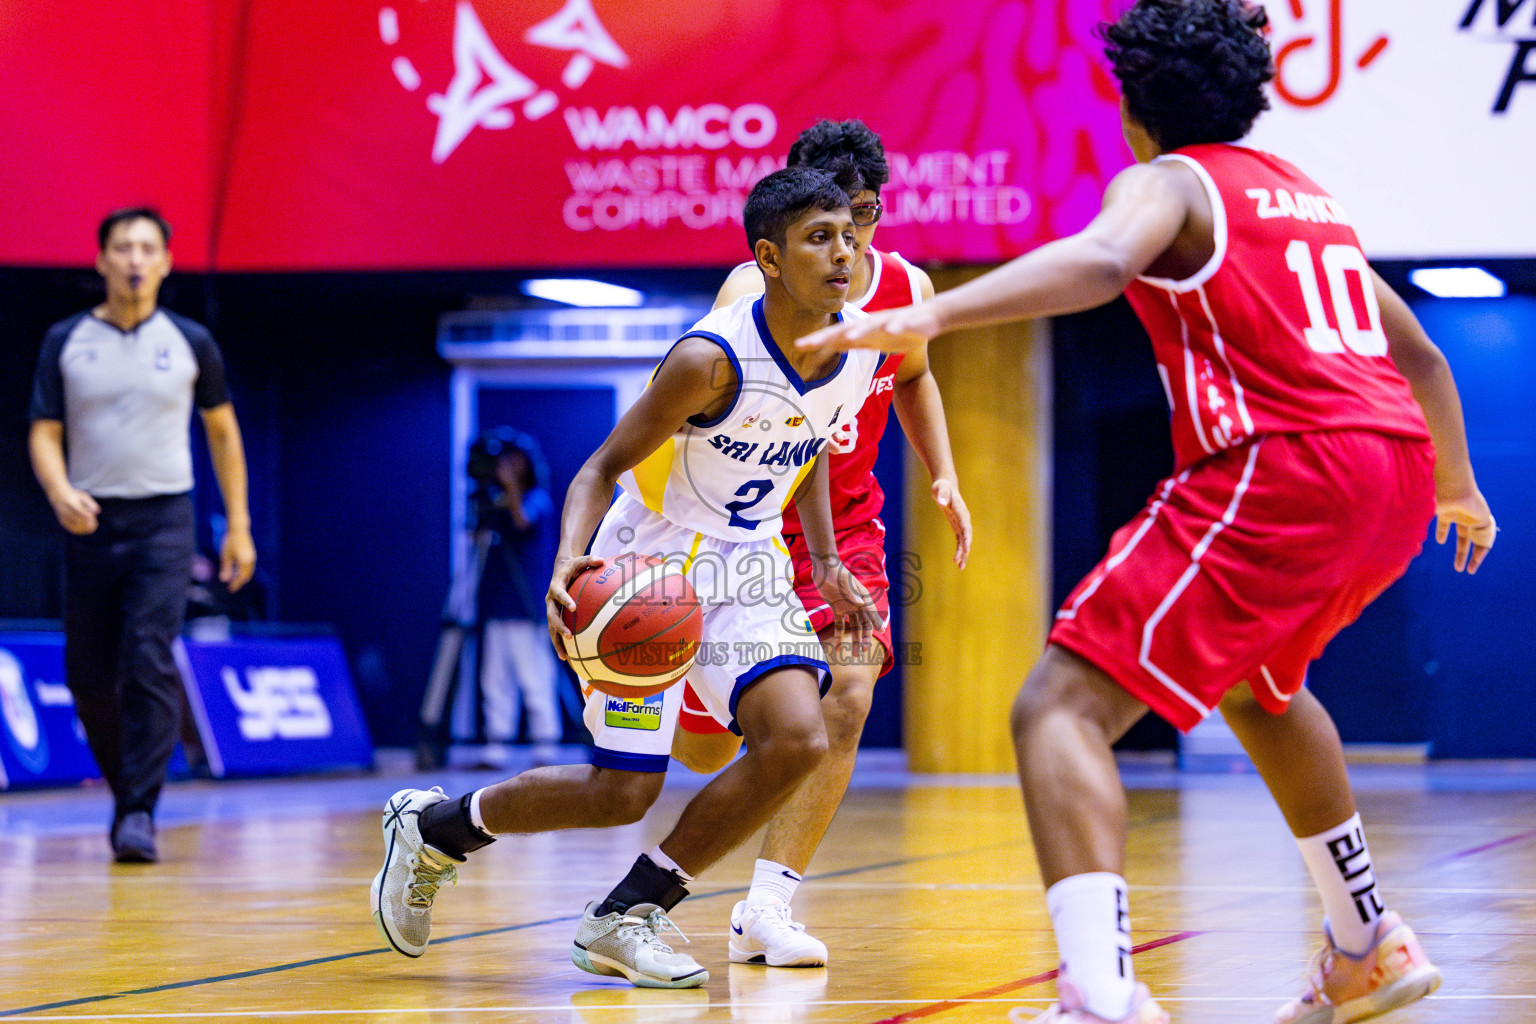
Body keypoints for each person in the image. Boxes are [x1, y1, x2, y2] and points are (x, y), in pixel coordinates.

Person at [799, 2, 1498, 1021]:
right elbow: (1423, 355)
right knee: (1264, 691)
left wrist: (935, 309)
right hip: (1391, 474)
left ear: (1132, 104)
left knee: (1058, 707)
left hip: (1287, 463)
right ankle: (1366, 940)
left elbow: (1104, 260)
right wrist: (1458, 486)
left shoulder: (1170, 180)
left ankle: (1098, 994)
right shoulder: (1310, 198)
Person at [371, 163, 884, 989]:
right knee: (621, 792)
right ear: (769, 258)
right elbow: (598, 469)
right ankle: (435, 829)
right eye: (819, 238)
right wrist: (571, 555)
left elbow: (815, 442)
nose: (844, 254)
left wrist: (825, 560)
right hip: (652, 564)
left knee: (798, 737)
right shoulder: (709, 360)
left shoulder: (854, 347)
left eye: (850, 237)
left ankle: (628, 913)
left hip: (748, 561)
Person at [670, 119, 974, 967]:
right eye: (835, 218)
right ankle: (702, 704)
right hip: (750, 529)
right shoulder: (744, 292)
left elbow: (913, 374)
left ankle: (767, 907)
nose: (853, 239)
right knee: (706, 748)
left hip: (850, 532)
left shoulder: (902, 284)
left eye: (868, 215)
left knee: (850, 686)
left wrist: (942, 473)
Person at [28, 207, 257, 863]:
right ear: (100, 260)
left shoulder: (190, 341)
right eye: (122, 247)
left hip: (165, 519)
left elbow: (222, 433)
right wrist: (59, 491)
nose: (133, 259)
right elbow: (43, 431)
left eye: (146, 248)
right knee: (88, 674)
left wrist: (237, 526)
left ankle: (138, 813)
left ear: (165, 262)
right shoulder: (65, 341)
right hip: (90, 519)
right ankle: (126, 788)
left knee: (148, 655)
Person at [470, 428, 562, 767]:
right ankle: (496, 742)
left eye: (513, 460)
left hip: (527, 605)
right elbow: (475, 536)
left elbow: (523, 523)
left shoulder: (537, 498)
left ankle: (544, 741)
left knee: (534, 674)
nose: (505, 467)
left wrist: (509, 490)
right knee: (494, 678)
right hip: (498, 603)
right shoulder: (492, 502)